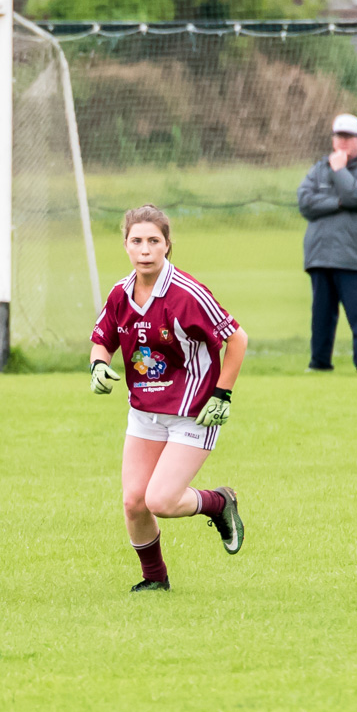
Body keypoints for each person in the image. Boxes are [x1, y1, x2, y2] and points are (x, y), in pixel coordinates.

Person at [89, 205, 248, 592]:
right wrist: (97, 365)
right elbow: (102, 339)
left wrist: (223, 394)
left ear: (167, 245)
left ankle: (218, 502)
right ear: (126, 245)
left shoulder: (187, 294)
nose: (145, 250)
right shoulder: (120, 294)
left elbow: (237, 339)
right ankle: (155, 580)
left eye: (153, 241)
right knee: (133, 502)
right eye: (136, 241)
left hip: (193, 414)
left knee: (160, 500)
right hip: (145, 413)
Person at [297, 113, 357, 376]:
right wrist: (338, 203)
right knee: (321, 315)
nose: (344, 142)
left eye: (349, 137)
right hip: (320, 254)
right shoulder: (318, 168)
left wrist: (339, 170)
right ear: (333, 138)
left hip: (352, 256)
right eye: (339, 136)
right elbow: (305, 202)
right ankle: (319, 362)